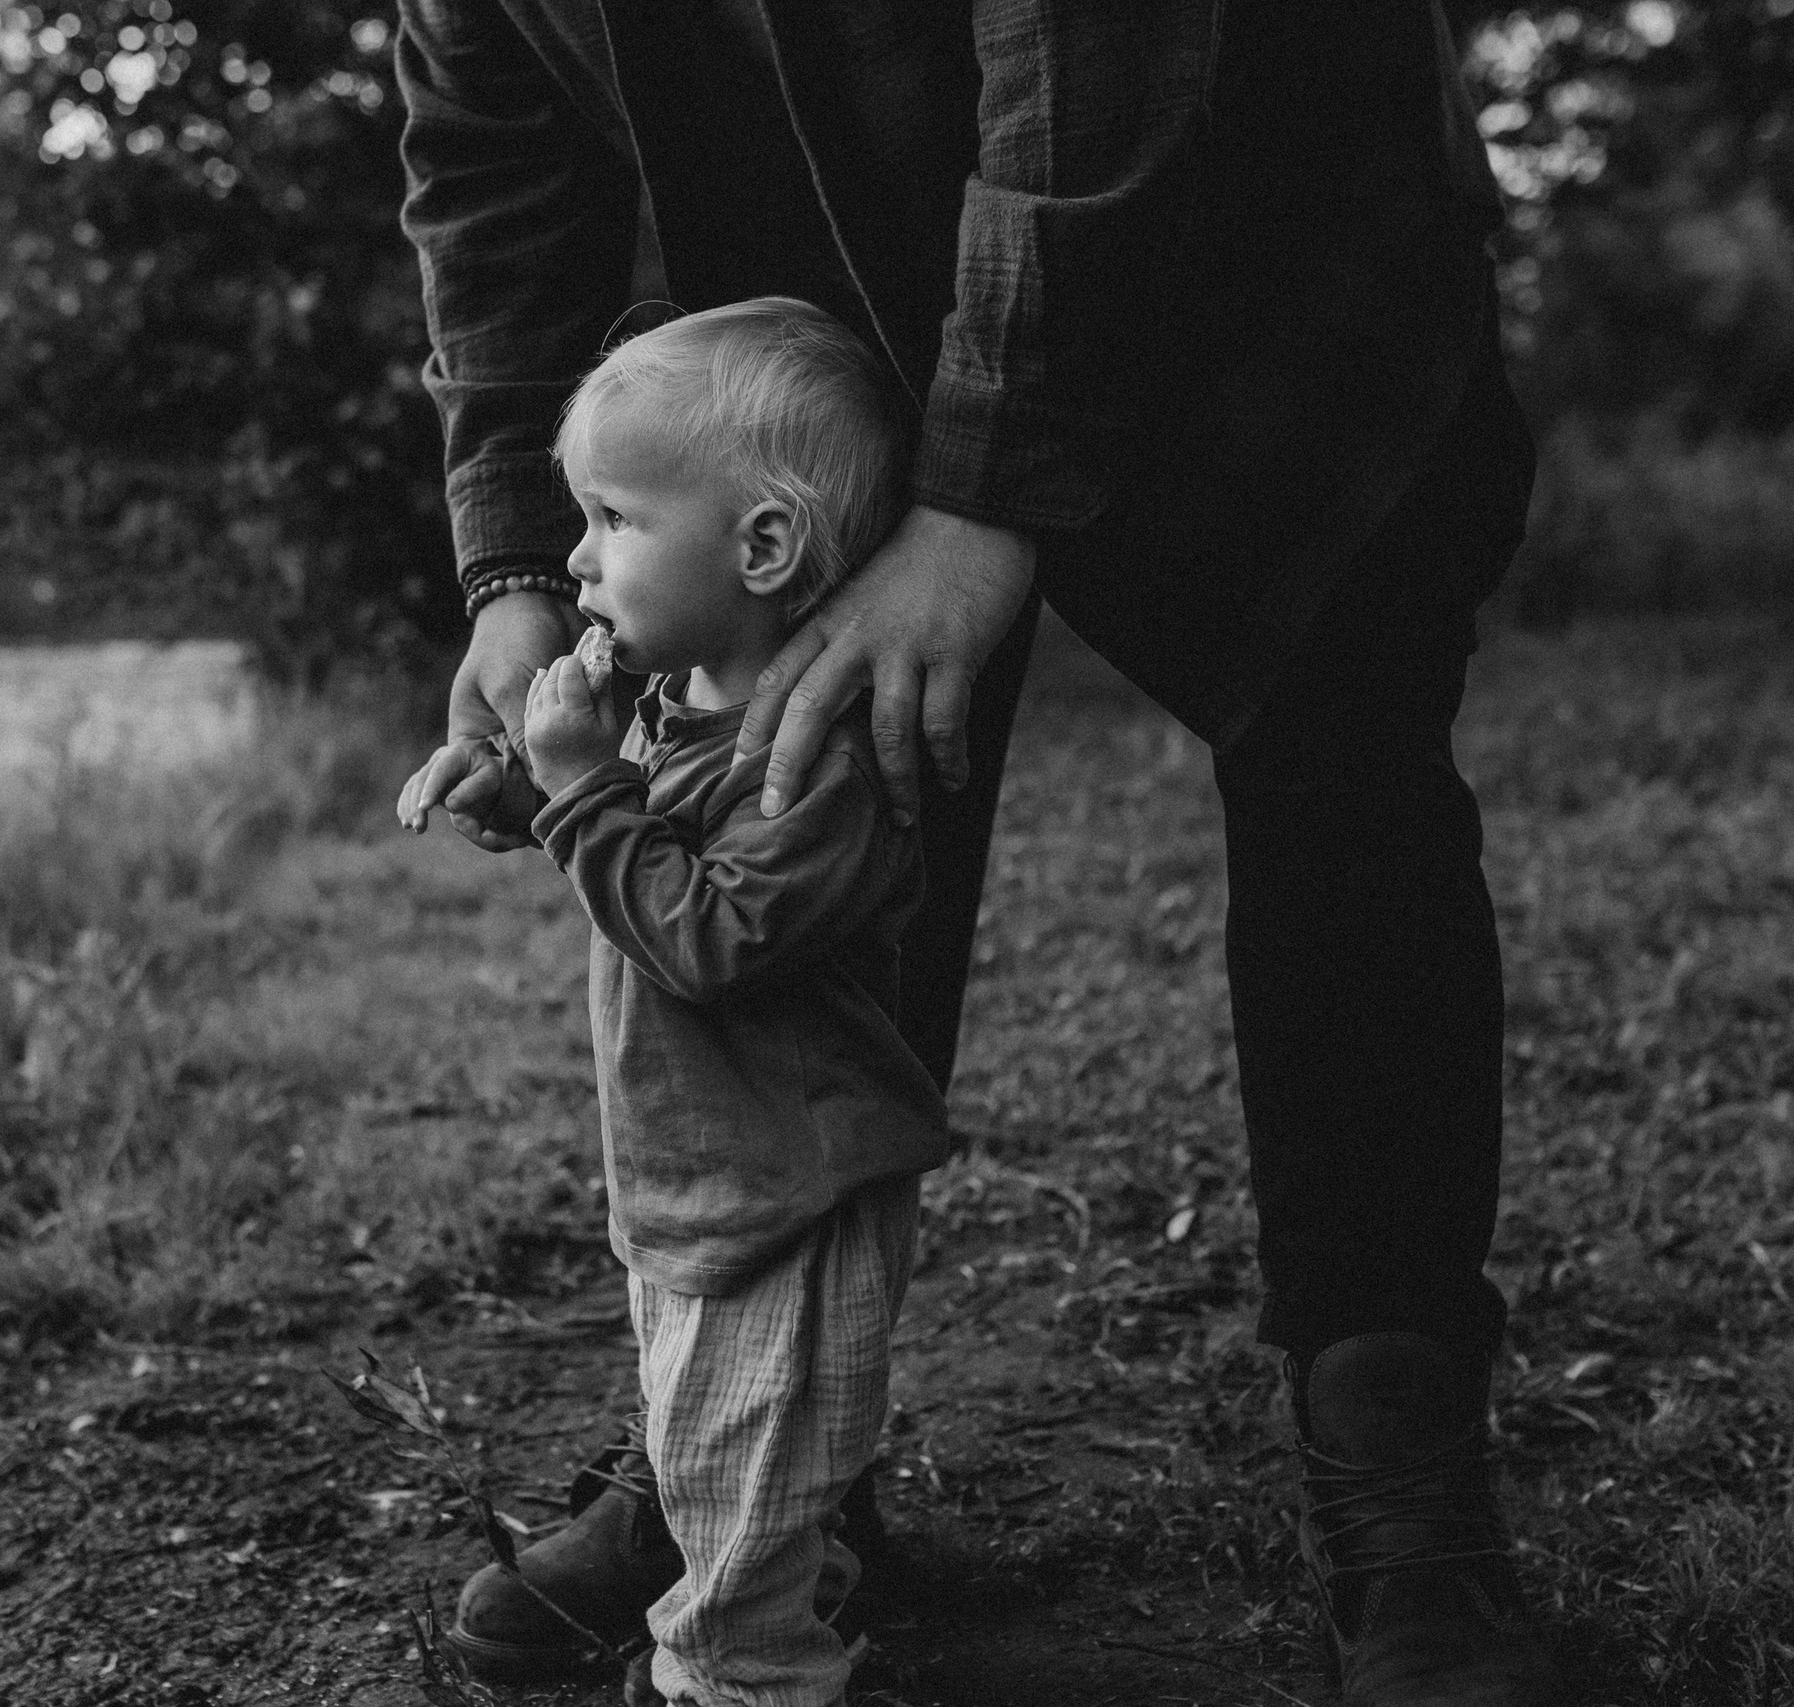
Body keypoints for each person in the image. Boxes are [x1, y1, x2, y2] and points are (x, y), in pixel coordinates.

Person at [391, 3, 1556, 1704]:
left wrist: (982, 499)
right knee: (798, 760)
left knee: (1343, 763)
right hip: (840, 315)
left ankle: (1402, 1463)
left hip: (1259, 227)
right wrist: (511, 561)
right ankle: (765, 1475)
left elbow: (1102, 57)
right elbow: (489, 166)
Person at [405, 296, 945, 1707]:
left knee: (747, 1465)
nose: (575, 558)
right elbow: (644, 831)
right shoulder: (680, 691)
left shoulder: (814, 761)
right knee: (723, 1456)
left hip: (793, 1194)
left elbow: (708, 934)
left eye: (614, 521)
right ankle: (781, 1589)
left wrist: (583, 788)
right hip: (708, 1177)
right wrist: (526, 795)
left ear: (762, 546)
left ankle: (745, 1674)